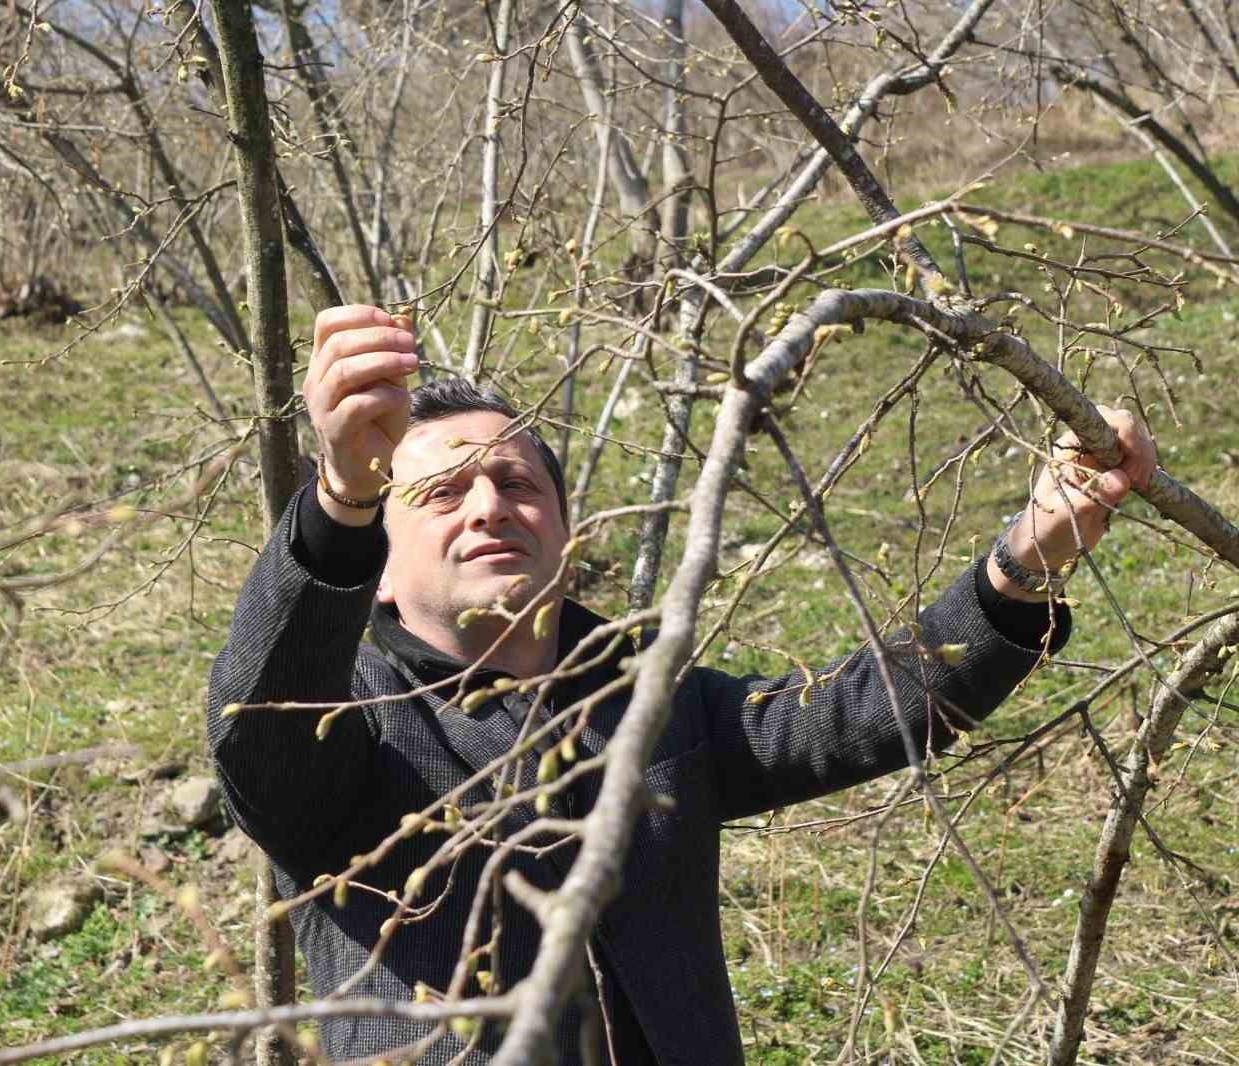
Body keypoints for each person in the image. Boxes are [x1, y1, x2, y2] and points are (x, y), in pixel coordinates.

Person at [207, 305, 1157, 1064]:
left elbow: (860, 713)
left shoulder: (651, 700)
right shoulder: (343, 726)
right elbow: (256, 729)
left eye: (517, 480)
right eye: (441, 492)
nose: (491, 504)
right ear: (376, 561)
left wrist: (1027, 558)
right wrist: (339, 502)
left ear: (568, 535)